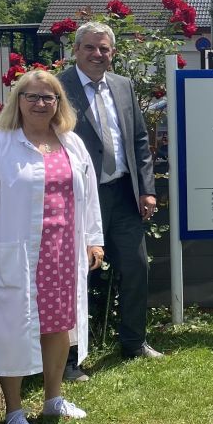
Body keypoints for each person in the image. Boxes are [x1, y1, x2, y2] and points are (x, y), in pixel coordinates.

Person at [0, 70, 104, 424]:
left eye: (49, 97)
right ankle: (14, 412)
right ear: (18, 101)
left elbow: (88, 197)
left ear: (59, 103)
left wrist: (94, 239)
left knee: (58, 326)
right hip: (17, 253)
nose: (40, 104)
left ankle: (53, 398)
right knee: (12, 328)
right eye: (32, 96)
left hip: (61, 253)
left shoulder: (71, 143)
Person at [59, 22, 161, 380]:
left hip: (122, 194)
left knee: (136, 267)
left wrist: (146, 188)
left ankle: (133, 342)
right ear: (76, 50)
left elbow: (138, 141)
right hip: (80, 199)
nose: (97, 54)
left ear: (113, 53)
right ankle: (69, 360)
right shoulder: (59, 88)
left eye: (104, 49)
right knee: (77, 277)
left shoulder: (123, 85)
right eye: (90, 48)